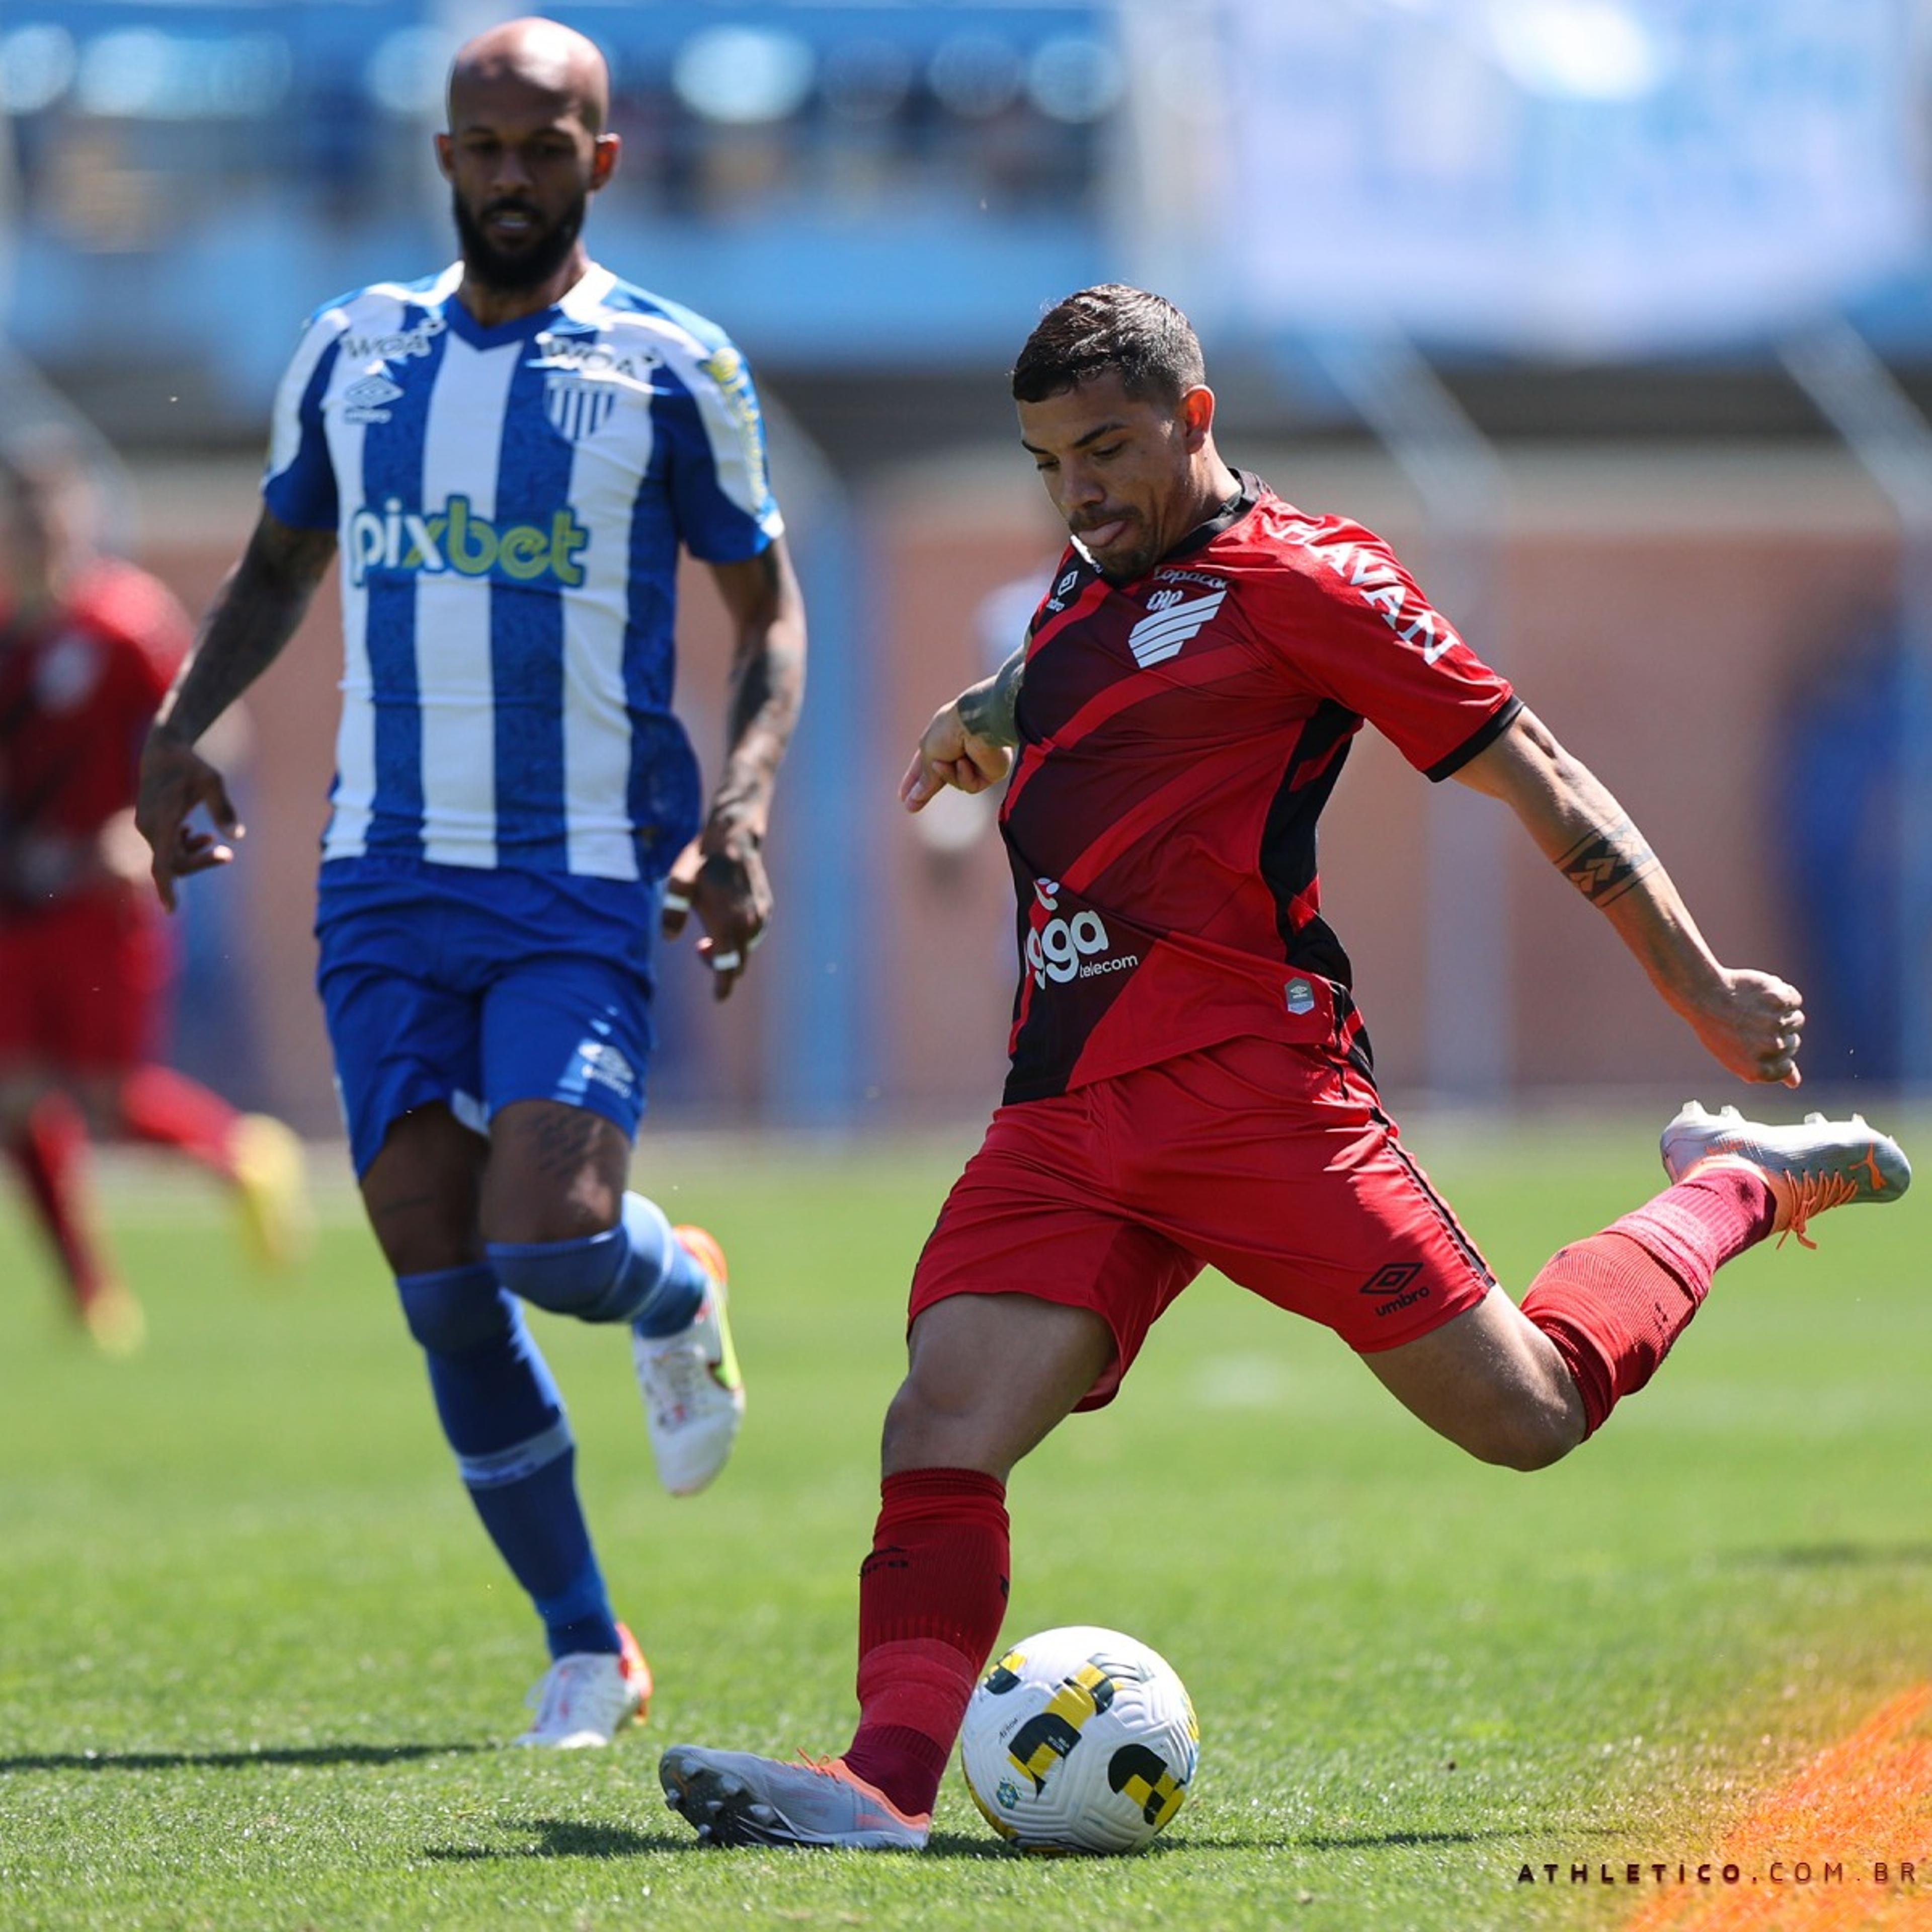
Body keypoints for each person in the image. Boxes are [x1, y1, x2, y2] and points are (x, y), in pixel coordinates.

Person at [656, 285, 1909, 1847]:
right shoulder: (1085, 572)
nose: (1080, 492)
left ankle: (1732, 1185)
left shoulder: (1312, 577)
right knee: (940, 1424)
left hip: (1256, 1090)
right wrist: (981, 712)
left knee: (1529, 1414)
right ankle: (881, 1788)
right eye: (1049, 464)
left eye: (1107, 451)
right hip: (1064, 1111)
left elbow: (1539, 774)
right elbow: (1076, 673)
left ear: (1195, 419)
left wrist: (1699, 983)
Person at [134, 17, 806, 1746]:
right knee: (438, 1275)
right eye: (485, 145)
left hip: (578, 876)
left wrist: (738, 810)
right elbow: (282, 557)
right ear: (445, 159)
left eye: (546, 143)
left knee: (551, 1245)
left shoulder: (675, 363)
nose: (514, 173)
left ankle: (675, 1283)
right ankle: (588, 1643)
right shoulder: (352, 348)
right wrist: (181, 723)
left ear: (607, 155)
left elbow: (768, 613)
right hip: (378, 875)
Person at [0, 447, 311, 1355]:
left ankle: (241, 1157)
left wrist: (145, 836)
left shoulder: (127, 627)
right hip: (17, 902)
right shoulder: (9, 641)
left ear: (79, 525)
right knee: (15, 1097)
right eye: (18, 523)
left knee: (107, 1101)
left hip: (102, 907)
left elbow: (217, 728)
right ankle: (93, 1300)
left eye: (47, 521)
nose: (34, 541)